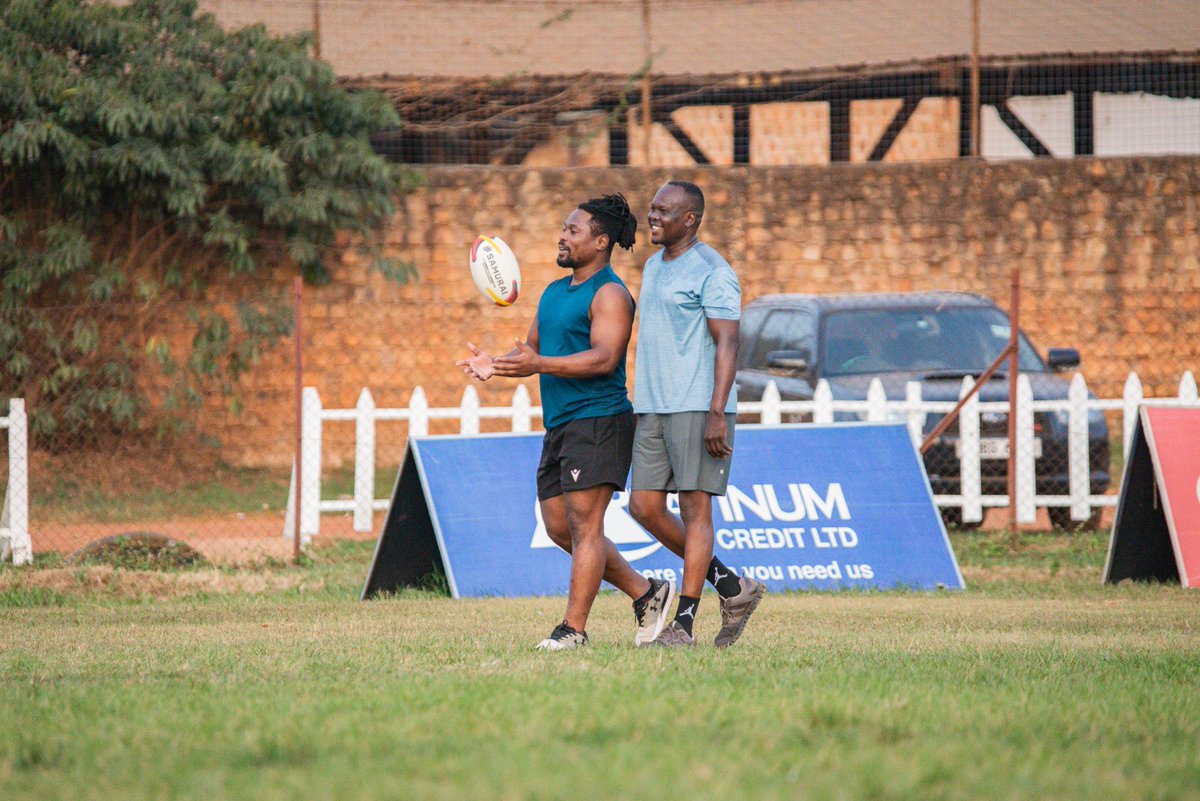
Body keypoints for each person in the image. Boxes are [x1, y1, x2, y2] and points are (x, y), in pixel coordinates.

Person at [457, 193, 675, 651]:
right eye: (564, 228)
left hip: (599, 419)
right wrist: (494, 364)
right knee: (558, 526)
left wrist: (540, 364)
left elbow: (604, 358)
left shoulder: (611, 294)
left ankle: (572, 630)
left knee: (585, 526)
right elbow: (532, 352)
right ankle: (645, 591)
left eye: (572, 231)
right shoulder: (555, 292)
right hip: (561, 424)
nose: (562, 236)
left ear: (600, 242)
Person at [630, 180, 766, 648]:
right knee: (643, 507)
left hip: (697, 407)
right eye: (651, 209)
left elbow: (728, 342)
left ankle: (683, 625)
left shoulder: (713, 270)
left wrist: (715, 412)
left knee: (694, 510)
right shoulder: (652, 266)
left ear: (690, 219)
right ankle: (732, 587)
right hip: (652, 406)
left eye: (664, 211)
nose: (653, 217)